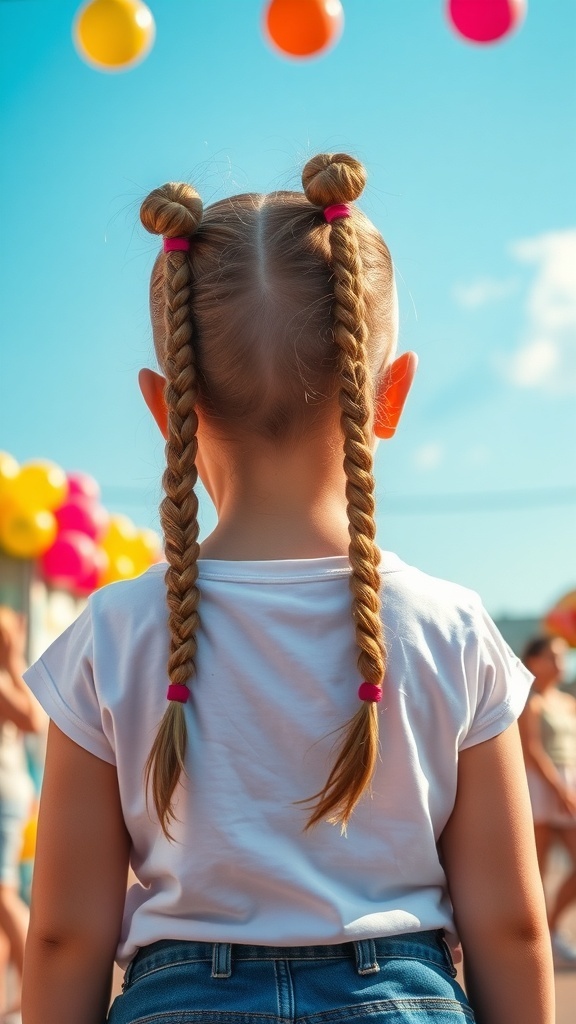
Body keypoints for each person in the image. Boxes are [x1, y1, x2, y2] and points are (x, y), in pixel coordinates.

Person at [21, 153, 554, 1024]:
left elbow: (63, 939)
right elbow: (512, 930)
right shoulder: (453, 627)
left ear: (166, 408)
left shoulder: (112, 631)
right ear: (391, 394)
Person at [519, 634, 576, 968]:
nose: (560, 663)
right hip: (541, 787)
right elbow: (532, 749)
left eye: (563, 656)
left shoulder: (568, 701)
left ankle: (551, 930)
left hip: (568, 785)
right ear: (534, 661)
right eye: (553, 656)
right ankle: (534, 945)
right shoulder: (529, 701)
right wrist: (558, 789)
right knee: (534, 872)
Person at [0, 607, 44, 1023]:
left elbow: (33, 719)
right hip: (10, 791)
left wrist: (12, 662)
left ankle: (28, 989)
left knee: (4, 894)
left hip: (3, 794)